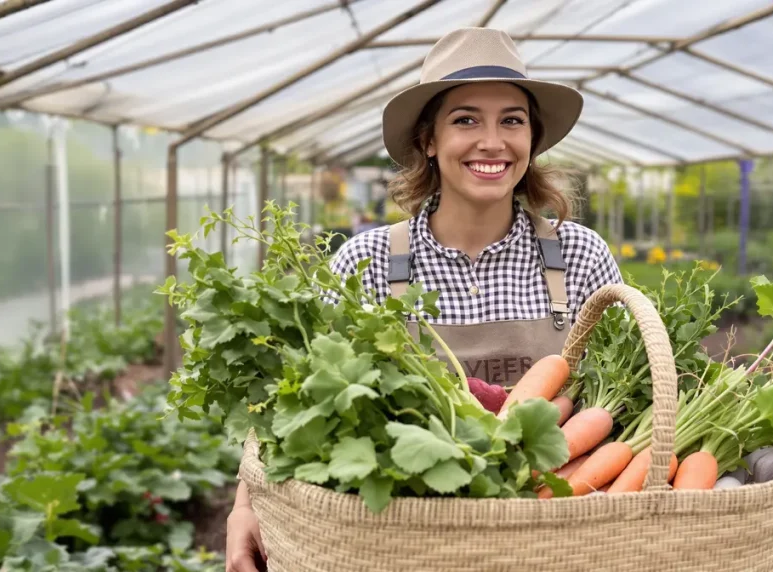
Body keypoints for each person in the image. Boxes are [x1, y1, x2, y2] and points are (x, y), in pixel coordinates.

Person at [225, 27, 623, 572]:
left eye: (512, 120)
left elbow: (628, 396)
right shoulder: (365, 262)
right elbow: (294, 398)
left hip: (555, 540)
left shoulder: (578, 255)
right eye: (466, 120)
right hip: (405, 542)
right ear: (428, 140)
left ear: (532, 138)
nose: (493, 142)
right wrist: (244, 506)